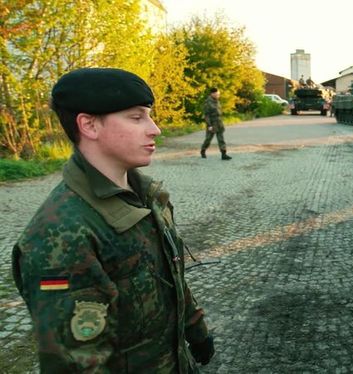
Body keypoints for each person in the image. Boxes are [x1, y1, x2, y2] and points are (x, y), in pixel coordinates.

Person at [12, 67, 215, 372]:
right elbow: (77, 363)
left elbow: (171, 275)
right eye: (136, 117)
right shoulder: (62, 233)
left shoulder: (146, 195)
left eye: (149, 115)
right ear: (89, 125)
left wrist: (195, 329)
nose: (155, 129)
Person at [200, 87, 231, 160]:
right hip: (212, 123)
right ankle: (203, 150)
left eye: (219, 94)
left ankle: (224, 154)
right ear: (212, 94)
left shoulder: (217, 101)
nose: (218, 95)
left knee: (221, 139)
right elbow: (206, 115)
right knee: (208, 139)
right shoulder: (207, 102)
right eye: (217, 94)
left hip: (219, 122)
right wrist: (209, 125)